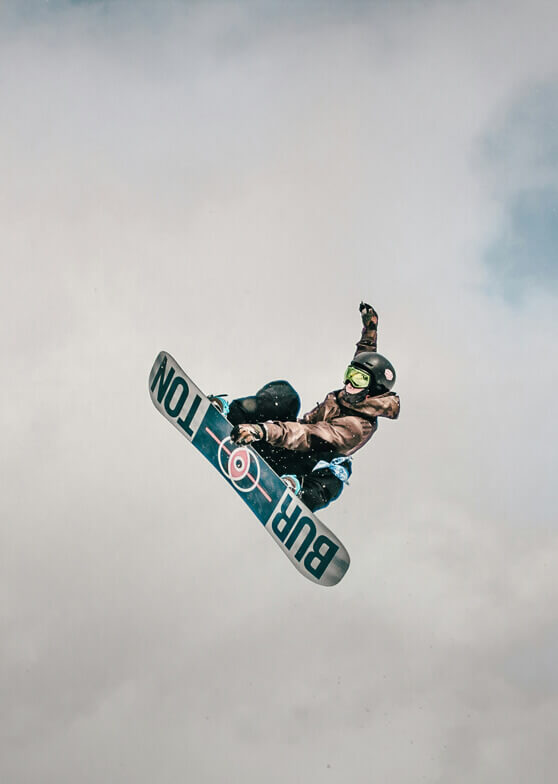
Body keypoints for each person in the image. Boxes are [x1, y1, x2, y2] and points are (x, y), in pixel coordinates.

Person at [210, 302, 400, 512]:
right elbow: (364, 355)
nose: (348, 384)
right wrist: (371, 327)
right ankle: (231, 414)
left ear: (372, 391)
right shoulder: (355, 394)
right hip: (275, 445)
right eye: (349, 375)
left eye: (357, 380)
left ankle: (297, 491)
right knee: (287, 395)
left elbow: (307, 435)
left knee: (340, 467)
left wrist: (261, 430)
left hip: (294, 465)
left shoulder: (357, 427)